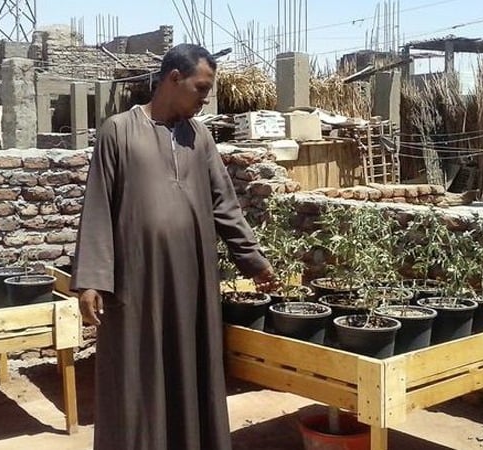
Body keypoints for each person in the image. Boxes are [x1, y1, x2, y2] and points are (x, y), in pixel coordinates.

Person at [71, 43, 279, 450]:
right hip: (137, 283)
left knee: (190, 370)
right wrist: (92, 280)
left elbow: (224, 206)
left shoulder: (199, 137)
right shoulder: (118, 130)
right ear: (174, 78)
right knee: (137, 373)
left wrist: (253, 262)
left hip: (191, 284)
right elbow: (97, 204)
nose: (205, 98)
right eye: (201, 88)